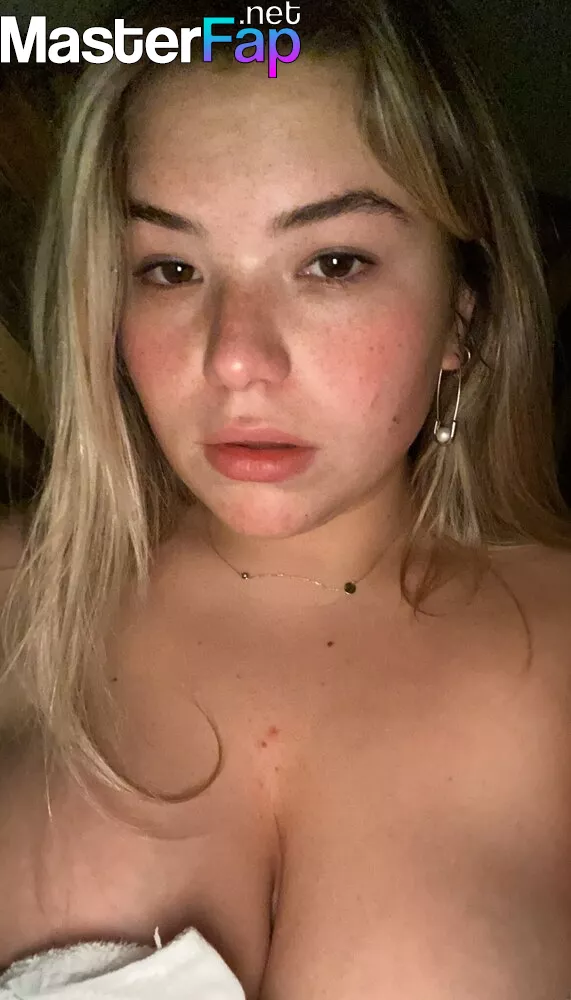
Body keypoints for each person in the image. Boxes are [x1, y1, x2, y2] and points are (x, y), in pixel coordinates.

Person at [1, 0, 571, 996]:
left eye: (332, 263)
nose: (234, 358)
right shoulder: (20, 602)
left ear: (461, 313)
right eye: (171, 269)